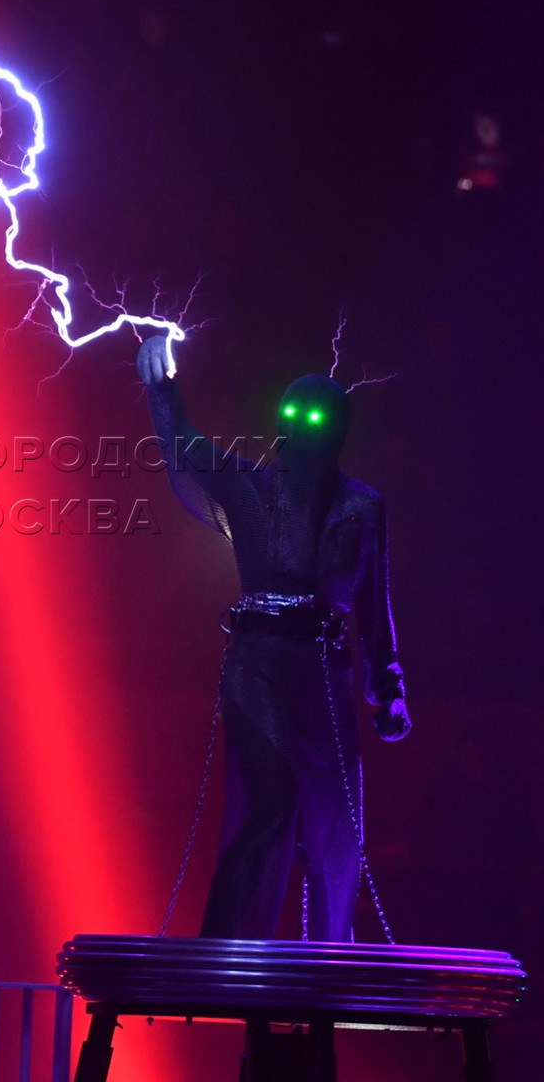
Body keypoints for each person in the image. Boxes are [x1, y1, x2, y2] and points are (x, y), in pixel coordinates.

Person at [137, 334, 409, 941]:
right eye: (292, 415)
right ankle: (232, 951)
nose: (300, 430)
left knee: (337, 825)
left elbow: (374, 601)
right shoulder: (251, 490)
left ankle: (332, 954)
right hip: (258, 668)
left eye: (314, 419)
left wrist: (387, 686)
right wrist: (161, 388)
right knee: (269, 804)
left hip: (324, 674)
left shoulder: (362, 509)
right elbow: (184, 450)